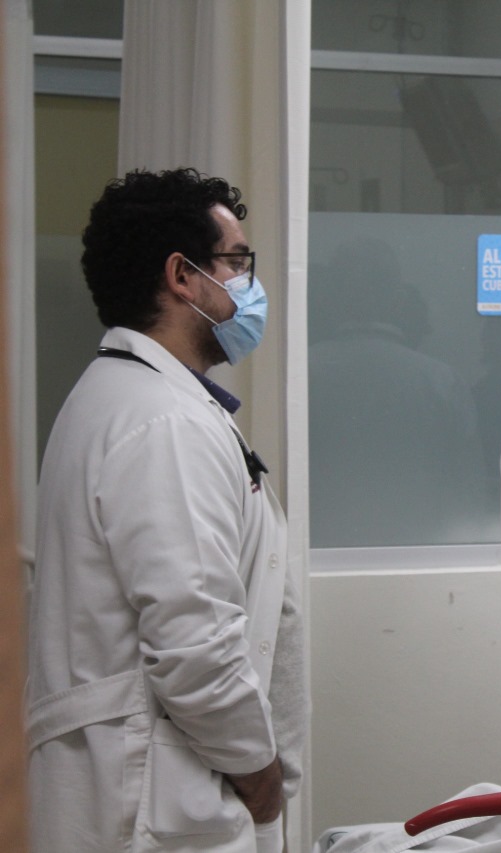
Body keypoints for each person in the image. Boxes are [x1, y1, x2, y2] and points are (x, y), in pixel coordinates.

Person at [26, 168, 305, 852]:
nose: (248, 285)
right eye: (236, 263)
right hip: (152, 795)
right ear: (183, 276)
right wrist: (261, 773)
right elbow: (195, 642)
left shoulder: (132, 400)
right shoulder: (162, 422)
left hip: (140, 782)